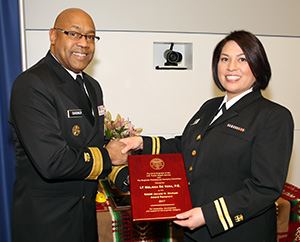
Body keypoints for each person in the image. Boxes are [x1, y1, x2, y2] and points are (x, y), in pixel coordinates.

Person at [119, 30, 294, 241]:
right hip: (194, 230)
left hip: (237, 233)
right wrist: (141, 143)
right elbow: (185, 146)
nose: (231, 67)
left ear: (258, 65)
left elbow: (265, 188)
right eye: (224, 59)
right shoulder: (210, 107)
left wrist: (208, 215)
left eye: (242, 59)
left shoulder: (273, 116)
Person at [9, 8, 127, 242]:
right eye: (75, 34)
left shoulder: (92, 86)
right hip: (47, 224)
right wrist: (108, 157)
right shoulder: (32, 85)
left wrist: (125, 169)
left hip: (84, 219)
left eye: (91, 37)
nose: (84, 43)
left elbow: (91, 141)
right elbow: (52, 162)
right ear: (53, 36)